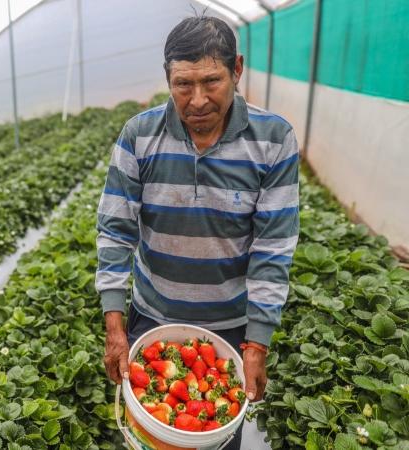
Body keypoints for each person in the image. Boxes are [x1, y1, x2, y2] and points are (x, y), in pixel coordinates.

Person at [96, 15, 299, 449]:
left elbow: (272, 247)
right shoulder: (139, 135)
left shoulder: (274, 139)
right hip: (151, 317)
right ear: (167, 78)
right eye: (183, 84)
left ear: (237, 69)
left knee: (217, 438)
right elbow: (115, 231)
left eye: (212, 81)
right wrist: (115, 325)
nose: (198, 99)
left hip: (230, 327)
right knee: (151, 435)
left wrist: (257, 343)